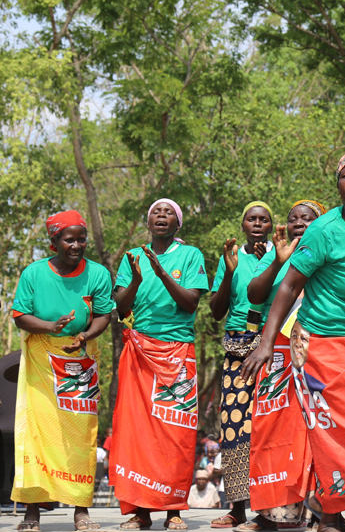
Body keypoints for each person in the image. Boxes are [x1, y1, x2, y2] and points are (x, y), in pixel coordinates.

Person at [240, 151, 345, 532]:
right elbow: (289, 286)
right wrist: (266, 343)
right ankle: (328, 510)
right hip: (321, 344)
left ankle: (329, 502)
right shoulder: (323, 230)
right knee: (330, 431)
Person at [110, 198, 209, 531]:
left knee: (175, 433)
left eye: (168, 212)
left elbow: (190, 303)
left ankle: (174, 509)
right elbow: (121, 310)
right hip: (140, 352)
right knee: (138, 434)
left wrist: (161, 272)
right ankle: (140, 511)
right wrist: (136, 280)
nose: (161, 216)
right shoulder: (132, 257)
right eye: (156, 212)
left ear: (178, 224)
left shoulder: (191, 255)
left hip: (178, 354)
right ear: (148, 222)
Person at [11, 210, 113, 532]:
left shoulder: (97, 273)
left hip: (80, 358)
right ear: (54, 241)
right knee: (37, 434)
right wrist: (49, 326)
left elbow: (103, 315)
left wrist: (84, 335)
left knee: (81, 435)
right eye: (69, 239)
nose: (77, 245)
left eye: (81, 238)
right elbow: (19, 315)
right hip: (42, 358)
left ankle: (81, 511)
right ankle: (31, 513)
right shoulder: (34, 274)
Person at [242, 200, 327, 531]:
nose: (300, 223)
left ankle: (322, 513)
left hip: (314, 351)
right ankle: (270, 513)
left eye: (307, 219)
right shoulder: (276, 253)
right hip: (275, 353)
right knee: (271, 430)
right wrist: (277, 262)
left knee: (313, 431)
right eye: (294, 219)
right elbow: (253, 294)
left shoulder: (327, 252)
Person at [207, 200, 273, 528]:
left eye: (264, 219)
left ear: (271, 227)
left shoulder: (281, 254)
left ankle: (269, 510)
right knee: (235, 428)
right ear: (243, 225)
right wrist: (228, 272)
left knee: (267, 429)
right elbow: (216, 311)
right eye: (252, 219)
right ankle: (237, 509)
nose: (258, 224)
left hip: (272, 347)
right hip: (236, 348)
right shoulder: (231, 258)